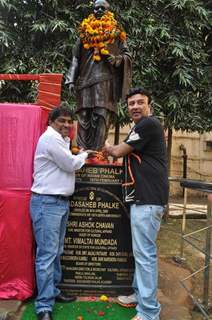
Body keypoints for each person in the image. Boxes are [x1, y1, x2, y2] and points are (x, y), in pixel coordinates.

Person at [103, 87, 169, 320]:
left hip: (148, 199)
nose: (135, 107)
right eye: (131, 104)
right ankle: (138, 294)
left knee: (144, 254)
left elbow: (119, 151)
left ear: (149, 105)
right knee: (140, 252)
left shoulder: (147, 125)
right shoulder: (139, 128)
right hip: (142, 199)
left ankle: (149, 312)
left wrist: (106, 145)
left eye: (140, 102)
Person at [30, 107, 96, 320]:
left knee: (56, 251)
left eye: (70, 121)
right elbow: (70, 164)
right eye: (62, 121)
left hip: (58, 203)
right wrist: (85, 154)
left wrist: (77, 150)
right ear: (51, 121)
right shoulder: (50, 139)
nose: (67, 125)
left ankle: (54, 292)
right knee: (47, 256)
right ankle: (43, 306)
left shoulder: (61, 140)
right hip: (47, 202)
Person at [65, 0, 132, 150]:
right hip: (84, 82)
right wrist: (70, 80)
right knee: (83, 116)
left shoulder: (116, 34)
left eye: (103, 8)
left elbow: (127, 55)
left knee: (101, 115)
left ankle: (97, 152)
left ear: (108, 11)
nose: (99, 10)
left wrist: (117, 59)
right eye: (96, 8)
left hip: (105, 81)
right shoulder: (83, 34)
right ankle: (83, 152)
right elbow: (75, 58)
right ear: (93, 11)